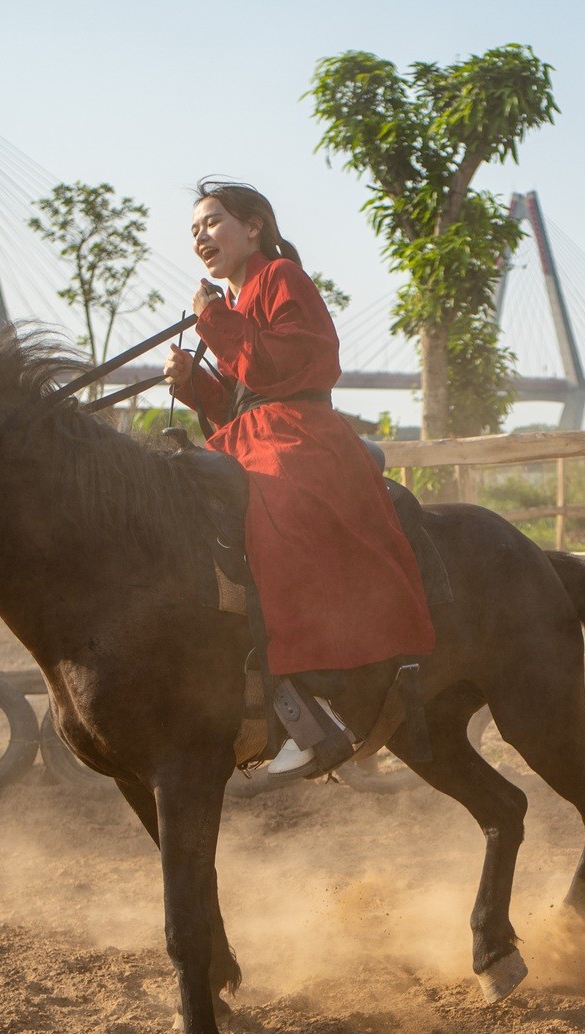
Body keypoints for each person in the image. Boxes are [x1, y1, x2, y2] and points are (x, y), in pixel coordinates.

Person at [165, 181, 434, 779]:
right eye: (193, 231)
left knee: (279, 521)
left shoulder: (282, 277)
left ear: (253, 226)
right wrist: (193, 384)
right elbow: (237, 401)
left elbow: (282, 368)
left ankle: (317, 705)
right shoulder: (233, 306)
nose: (200, 238)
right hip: (253, 431)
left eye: (211, 223)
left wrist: (211, 320)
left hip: (298, 434)